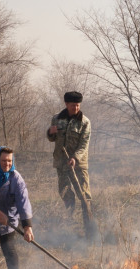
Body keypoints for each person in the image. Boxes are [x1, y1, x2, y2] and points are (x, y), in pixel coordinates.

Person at [46, 91, 93, 233]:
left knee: (84, 195)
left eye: (78, 105)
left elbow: (84, 144)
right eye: (73, 105)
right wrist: (50, 132)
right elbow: (52, 139)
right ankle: (68, 225)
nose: (76, 108)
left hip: (79, 164)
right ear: (66, 104)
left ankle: (90, 227)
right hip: (61, 163)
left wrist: (75, 158)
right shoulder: (57, 119)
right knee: (65, 191)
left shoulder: (85, 122)